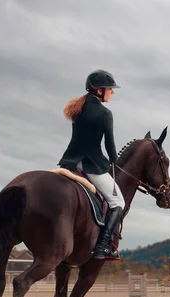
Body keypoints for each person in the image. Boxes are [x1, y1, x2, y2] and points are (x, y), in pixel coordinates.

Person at [57, 69, 125, 260]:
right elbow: (110, 146)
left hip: (69, 162)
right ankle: (102, 246)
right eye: (110, 89)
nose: (112, 92)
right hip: (91, 166)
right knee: (118, 202)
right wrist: (114, 160)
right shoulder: (105, 113)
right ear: (99, 90)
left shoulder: (77, 109)